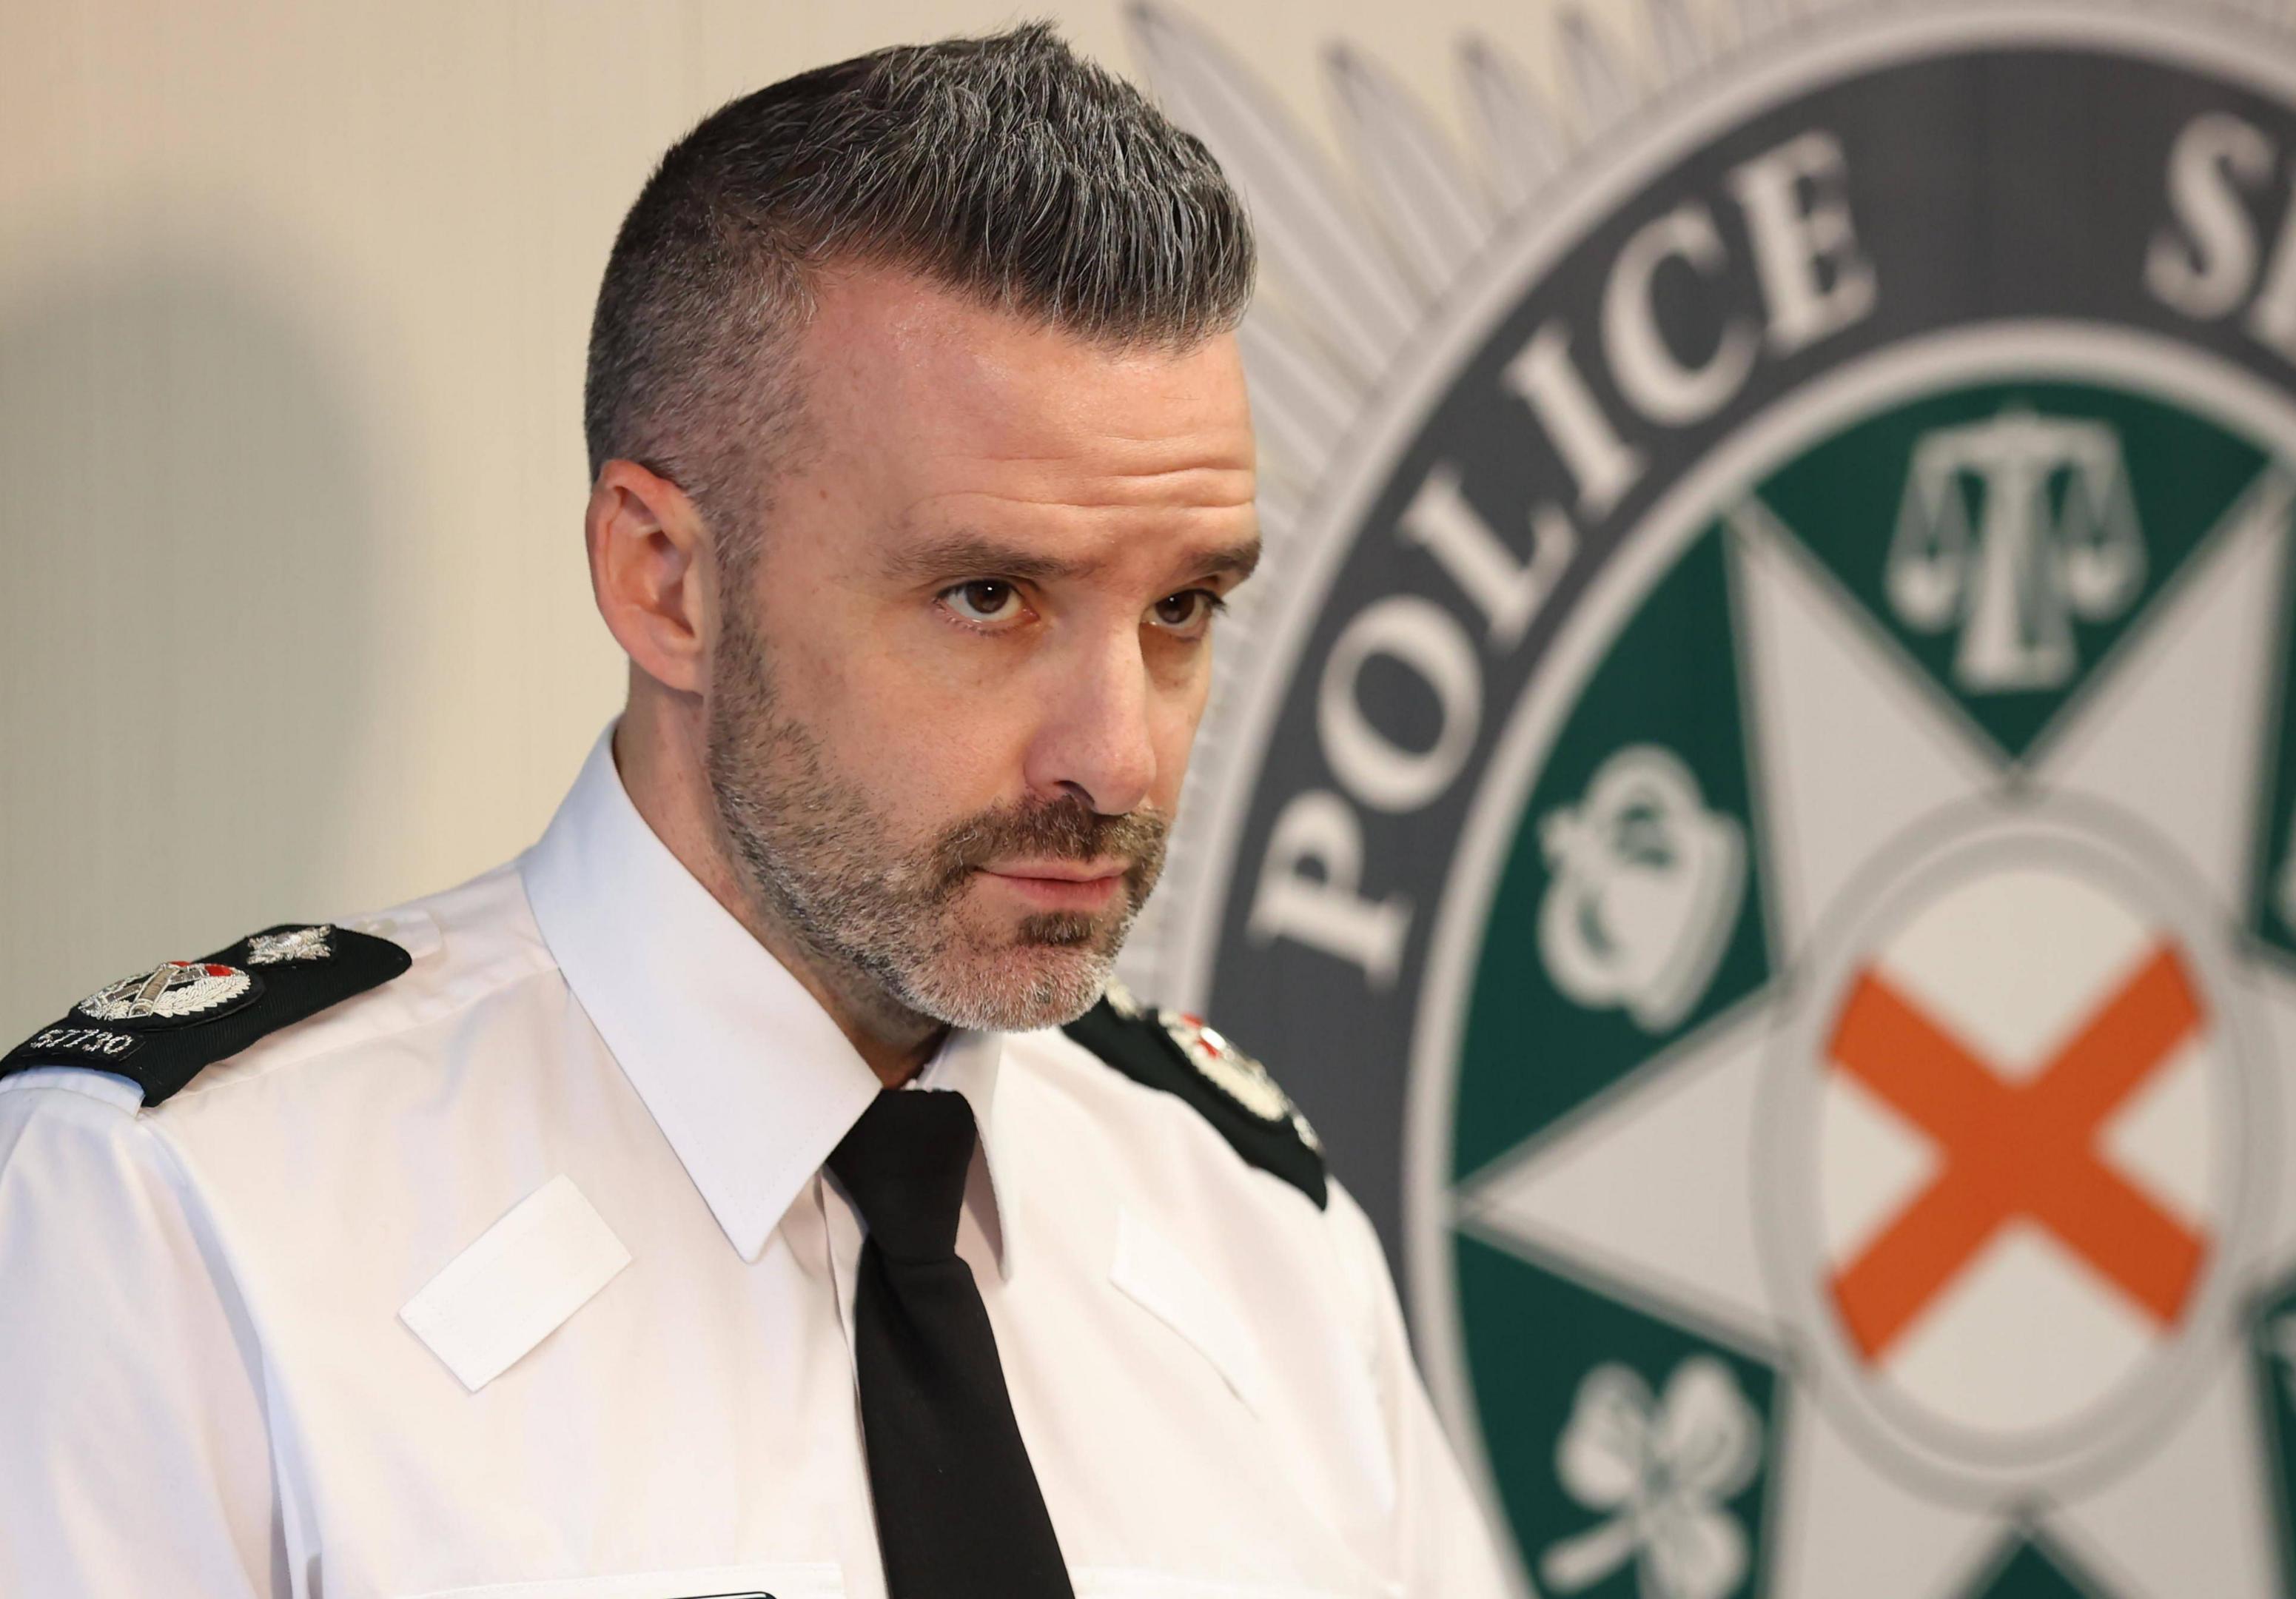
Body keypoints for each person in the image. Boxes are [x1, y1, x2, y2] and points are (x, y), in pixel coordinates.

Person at [0, 25, 1514, 1599]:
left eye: (1185, 608)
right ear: (665, 583)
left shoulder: (1250, 1226)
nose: (1120, 760)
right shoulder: (178, 1226)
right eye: (989, 597)